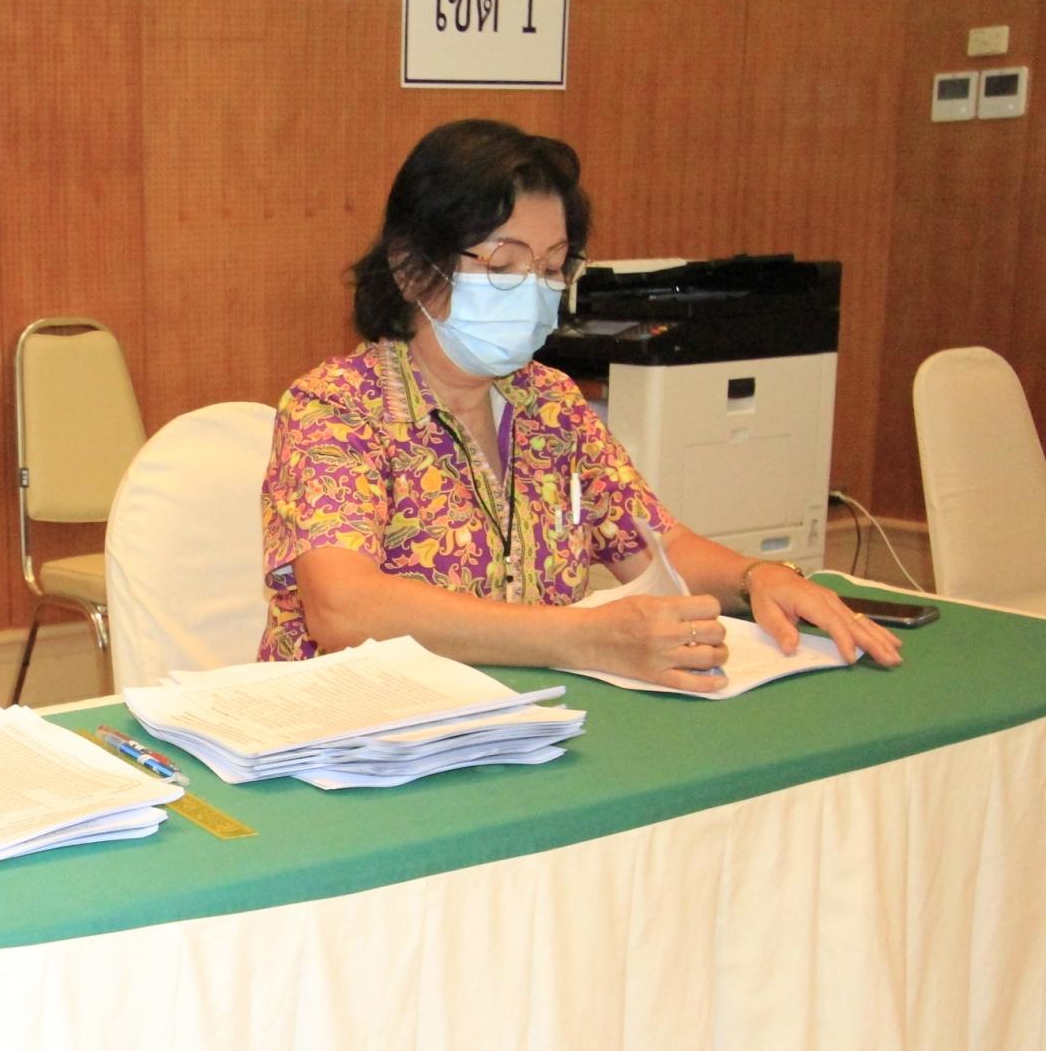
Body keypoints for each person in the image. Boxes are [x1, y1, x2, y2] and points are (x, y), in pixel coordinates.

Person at [260, 119, 903, 687]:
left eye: (551, 268)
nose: (532, 290)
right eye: (504, 266)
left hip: (526, 722)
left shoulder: (550, 403)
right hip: (359, 739)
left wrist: (759, 578)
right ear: (410, 268)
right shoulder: (337, 407)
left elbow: (656, 546)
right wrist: (584, 638)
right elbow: (344, 608)